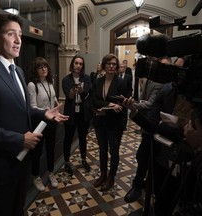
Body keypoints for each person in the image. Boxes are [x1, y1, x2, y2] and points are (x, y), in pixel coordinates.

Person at [0, 14, 68, 216]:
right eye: (10, 34)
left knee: (18, 209)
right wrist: (19, 139)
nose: (18, 40)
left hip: (22, 160)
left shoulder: (19, 71)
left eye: (20, 35)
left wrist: (44, 114)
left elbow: (21, 110)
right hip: (1, 163)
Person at [124, 57, 171, 203]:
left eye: (166, 67)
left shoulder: (167, 86)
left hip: (165, 130)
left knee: (157, 162)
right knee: (142, 156)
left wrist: (134, 106)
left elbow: (150, 104)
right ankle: (138, 186)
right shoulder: (150, 79)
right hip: (147, 125)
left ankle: (153, 190)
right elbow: (145, 99)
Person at [91, 54, 131, 191]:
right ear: (104, 65)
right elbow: (94, 100)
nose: (111, 66)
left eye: (114, 64)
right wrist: (109, 104)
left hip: (115, 122)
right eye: (108, 63)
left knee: (113, 151)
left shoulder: (121, 82)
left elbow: (122, 103)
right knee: (102, 150)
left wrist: (114, 106)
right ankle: (103, 174)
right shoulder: (97, 81)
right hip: (100, 121)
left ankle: (111, 177)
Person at [27, 57, 59, 192]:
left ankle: (51, 172)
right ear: (35, 70)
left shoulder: (49, 82)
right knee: (37, 151)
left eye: (45, 66)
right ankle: (35, 176)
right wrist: (48, 112)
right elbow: (32, 108)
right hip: (39, 123)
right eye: (40, 67)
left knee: (51, 148)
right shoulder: (32, 85)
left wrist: (57, 106)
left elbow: (53, 98)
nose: (44, 69)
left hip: (51, 121)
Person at [62, 55, 92, 176]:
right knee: (68, 138)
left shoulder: (87, 78)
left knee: (83, 137)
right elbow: (69, 97)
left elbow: (87, 96)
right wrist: (73, 91)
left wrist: (82, 91)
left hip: (83, 112)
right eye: (76, 63)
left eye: (80, 64)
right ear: (72, 65)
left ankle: (83, 159)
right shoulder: (66, 80)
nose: (78, 66)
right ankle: (67, 161)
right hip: (70, 112)